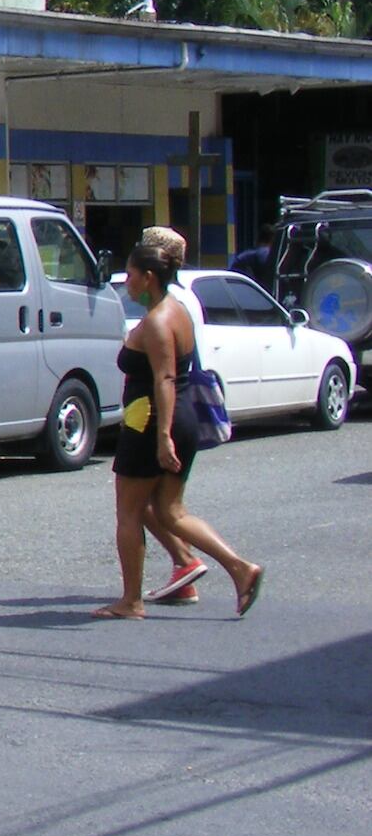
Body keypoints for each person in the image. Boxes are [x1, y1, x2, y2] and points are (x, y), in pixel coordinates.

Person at [96, 233, 264, 620]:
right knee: (171, 511)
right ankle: (240, 568)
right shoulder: (178, 311)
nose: (127, 282)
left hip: (152, 421)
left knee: (129, 513)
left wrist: (162, 437)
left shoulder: (157, 322)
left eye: (131, 275)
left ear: (149, 277)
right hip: (180, 417)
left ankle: (131, 601)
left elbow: (165, 379)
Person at [134, 224, 208, 602]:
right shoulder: (173, 299)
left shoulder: (168, 304)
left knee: (153, 505)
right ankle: (185, 573)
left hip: (168, 409)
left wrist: (163, 432)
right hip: (175, 405)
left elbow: (166, 371)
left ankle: (189, 562)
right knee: (163, 503)